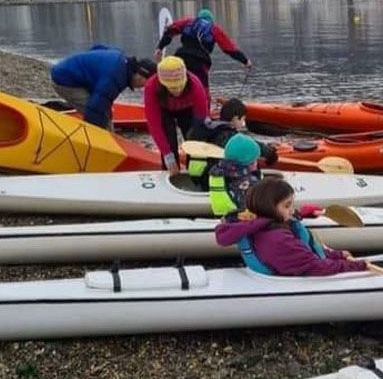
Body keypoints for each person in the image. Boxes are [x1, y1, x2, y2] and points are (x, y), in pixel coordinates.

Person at [215, 177, 367, 276]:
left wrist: (337, 255)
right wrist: (355, 266)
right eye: (287, 206)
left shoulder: (272, 226)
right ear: (269, 207)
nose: (293, 211)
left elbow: (307, 252)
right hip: (300, 275)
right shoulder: (278, 240)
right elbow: (313, 266)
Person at [50, 46, 155, 130]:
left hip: (70, 71)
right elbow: (94, 110)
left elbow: (97, 48)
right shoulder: (115, 78)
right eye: (146, 84)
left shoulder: (121, 58)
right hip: (64, 81)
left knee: (106, 113)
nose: (143, 87)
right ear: (140, 76)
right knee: (102, 119)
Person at [153, 8, 252, 93]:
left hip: (181, 58)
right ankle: (205, 108)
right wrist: (245, 61)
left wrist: (160, 48)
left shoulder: (188, 22)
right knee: (202, 90)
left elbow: (169, 31)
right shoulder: (213, 29)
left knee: (178, 85)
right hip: (200, 62)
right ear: (211, 20)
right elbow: (229, 49)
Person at [188, 102, 279, 190]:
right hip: (212, 181)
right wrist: (269, 152)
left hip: (201, 177)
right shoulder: (225, 134)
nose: (243, 123)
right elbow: (247, 146)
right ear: (235, 119)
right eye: (242, 119)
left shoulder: (211, 129)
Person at [144, 56, 209, 175]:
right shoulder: (151, 87)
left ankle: (194, 175)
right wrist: (168, 156)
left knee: (192, 138)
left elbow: (202, 122)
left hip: (187, 109)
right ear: (163, 83)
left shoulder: (195, 85)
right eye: (172, 87)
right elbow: (155, 126)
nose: (177, 90)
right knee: (169, 141)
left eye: (180, 85)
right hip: (164, 110)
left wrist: (199, 155)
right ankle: (170, 173)